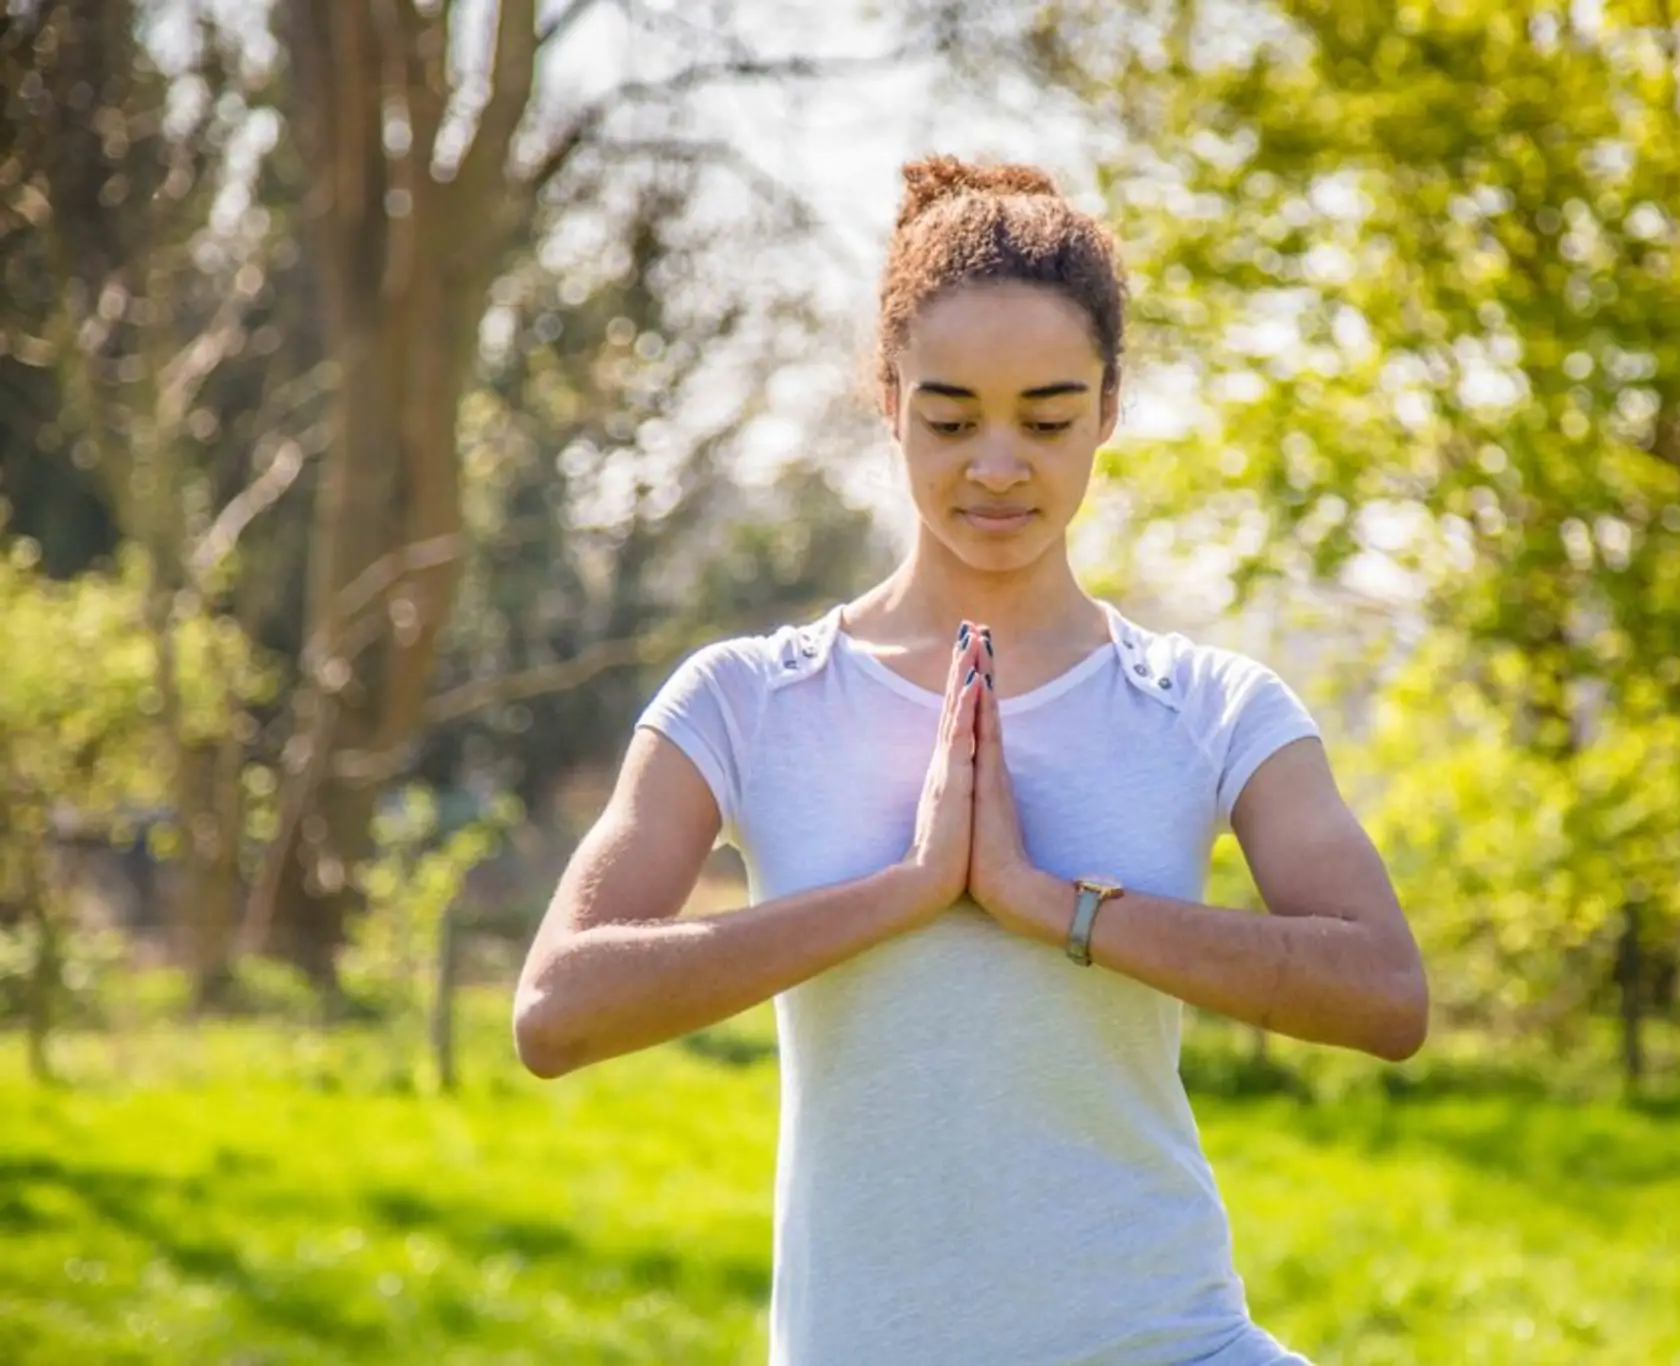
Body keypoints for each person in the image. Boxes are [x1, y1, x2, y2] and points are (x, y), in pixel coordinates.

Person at [512, 155, 1428, 1366]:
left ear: (1108, 408)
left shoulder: (1208, 706)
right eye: (950, 420)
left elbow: (1384, 994)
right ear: (888, 399)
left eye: (1046, 420)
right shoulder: (745, 700)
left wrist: (1047, 902)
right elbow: (555, 1010)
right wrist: (902, 891)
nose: (996, 465)